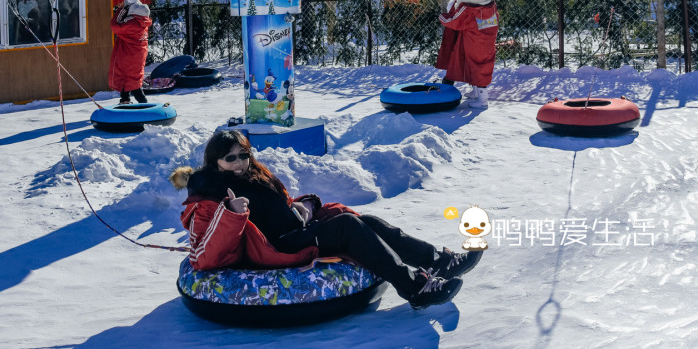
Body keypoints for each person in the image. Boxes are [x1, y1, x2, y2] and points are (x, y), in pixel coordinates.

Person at [169, 130, 482, 310]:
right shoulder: (209, 196)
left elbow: (277, 207)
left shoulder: (254, 174)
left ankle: (437, 261)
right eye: (231, 158)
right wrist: (233, 214)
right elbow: (207, 257)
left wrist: (302, 206)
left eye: (244, 154)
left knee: (366, 220)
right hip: (277, 248)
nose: (240, 162)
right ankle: (415, 289)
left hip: (294, 229)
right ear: (215, 161)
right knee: (347, 227)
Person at [437, 0, 499, 108]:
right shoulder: (490, 4)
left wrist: (442, 17)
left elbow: (455, 21)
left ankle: (482, 101)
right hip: (488, 41)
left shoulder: (468, 8)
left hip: (473, 42)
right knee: (483, 65)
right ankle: (477, 93)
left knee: (475, 65)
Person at [109, 0, 152, 104]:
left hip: (129, 55)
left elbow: (116, 26)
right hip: (138, 54)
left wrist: (121, 10)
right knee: (130, 78)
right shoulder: (142, 21)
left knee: (131, 81)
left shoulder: (132, 22)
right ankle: (125, 100)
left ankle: (144, 104)